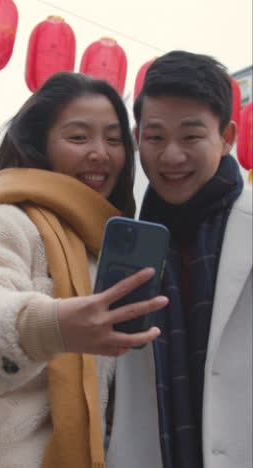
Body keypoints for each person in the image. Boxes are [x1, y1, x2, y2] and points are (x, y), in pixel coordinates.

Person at [0, 71, 168, 468]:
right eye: (78, 137)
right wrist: (50, 326)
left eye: (113, 139)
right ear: (40, 145)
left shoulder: (101, 248)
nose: (100, 153)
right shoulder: (9, 220)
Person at [106, 51, 252, 468]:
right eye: (155, 137)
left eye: (191, 137)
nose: (171, 156)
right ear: (137, 137)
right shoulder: (122, 242)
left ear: (226, 137)